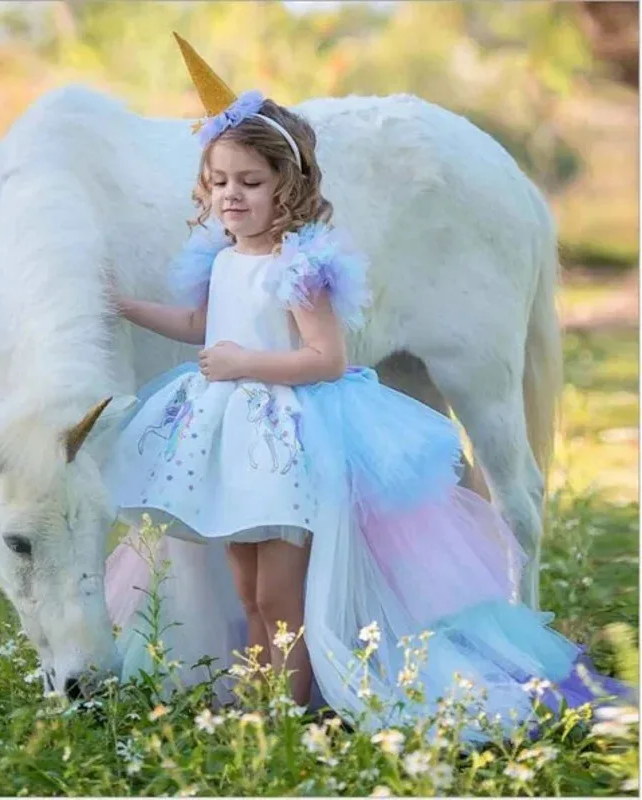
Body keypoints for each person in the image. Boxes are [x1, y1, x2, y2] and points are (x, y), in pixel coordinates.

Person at [104, 32, 629, 739]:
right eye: (220, 182)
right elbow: (199, 320)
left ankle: (287, 713)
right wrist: (126, 306)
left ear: (286, 189)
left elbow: (325, 357)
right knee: (248, 588)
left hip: (285, 444)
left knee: (282, 594)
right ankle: (259, 702)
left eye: (250, 184)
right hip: (231, 442)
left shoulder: (300, 267)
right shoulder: (221, 259)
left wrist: (242, 365)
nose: (232, 197)